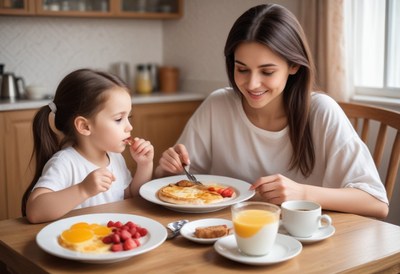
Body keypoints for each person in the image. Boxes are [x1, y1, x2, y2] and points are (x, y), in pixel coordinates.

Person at [155, 4, 389, 219]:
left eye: (267, 72)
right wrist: (166, 169)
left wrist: (303, 193)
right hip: (229, 236)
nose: (252, 84)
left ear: (294, 65)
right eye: (242, 69)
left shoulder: (322, 111)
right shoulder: (217, 105)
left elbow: (376, 203)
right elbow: (177, 185)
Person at [22, 69, 154, 223]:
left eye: (128, 117)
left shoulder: (115, 158)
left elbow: (131, 196)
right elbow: (34, 212)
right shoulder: (65, 162)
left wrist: (145, 165)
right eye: (119, 119)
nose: (129, 127)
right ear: (84, 126)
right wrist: (83, 189)